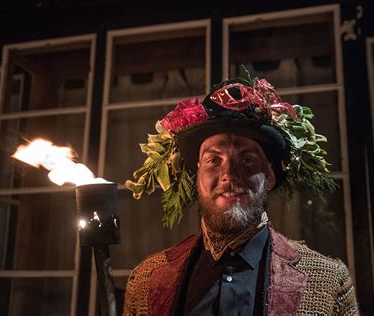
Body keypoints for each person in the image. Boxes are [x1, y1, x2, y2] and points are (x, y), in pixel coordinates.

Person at [123, 74, 359, 315]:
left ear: (269, 176)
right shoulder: (145, 280)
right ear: (197, 177)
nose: (229, 174)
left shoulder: (328, 282)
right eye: (214, 160)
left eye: (246, 160)